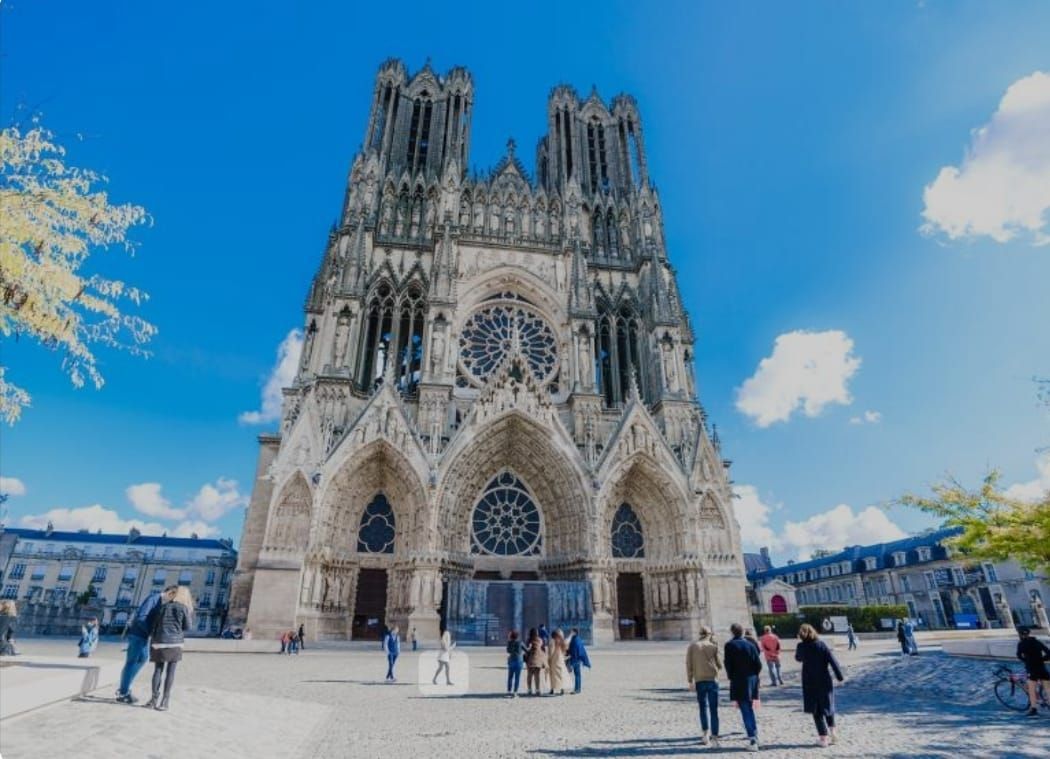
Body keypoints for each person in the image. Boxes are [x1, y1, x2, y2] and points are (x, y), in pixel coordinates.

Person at [117, 586, 174, 704]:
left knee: (143, 659)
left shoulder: (159, 602)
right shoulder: (154, 598)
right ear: (169, 593)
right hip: (138, 634)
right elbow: (142, 617)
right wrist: (150, 632)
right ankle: (123, 692)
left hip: (142, 635)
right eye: (173, 597)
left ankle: (124, 687)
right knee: (132, 661)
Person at [795, 623, 845, 747]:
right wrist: (840, 677)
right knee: (828, 705)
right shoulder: (821, 645)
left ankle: (823, 739)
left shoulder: (801, 646)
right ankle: (833, 732)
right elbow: (832, 661)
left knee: (816, 710)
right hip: (824, 679)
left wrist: (800, 643)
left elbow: (798, 658)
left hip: (809, 681)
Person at [146, 585, 192, 711]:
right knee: (170, 672)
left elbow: (155, 624)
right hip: (175, 642)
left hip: (160, 641)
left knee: (157, 671)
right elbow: (188, 627)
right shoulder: (184, 608)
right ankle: (165, 701)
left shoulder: (163, 607)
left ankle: (153, 699)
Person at [725, 622, 763, 752]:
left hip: (738, 681)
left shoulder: (729, 645)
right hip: (751, 681)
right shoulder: (750, 645)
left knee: (746, 710)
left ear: (732, 632)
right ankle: (755, 735)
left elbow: (728, 665)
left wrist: (732, 677)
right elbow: (758, 665)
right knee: (750, 708)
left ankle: (752, 738)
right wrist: (753, 676)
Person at [686, 625, 722, 747]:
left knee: (703, 708)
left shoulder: (692, 646)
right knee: (714, 709)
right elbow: (720, 664)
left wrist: (690, 681)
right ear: (709, 634)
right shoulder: (713, 647)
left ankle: (705, 734)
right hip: (712, 680)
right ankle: (715, 738)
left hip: (699, 680)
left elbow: (688, 664)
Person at [1016, 626, 1050, 716]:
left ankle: (1034, 708)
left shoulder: (1021, 644)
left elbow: (1019, 655)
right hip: (1042, 667)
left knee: (1031, 689)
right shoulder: (1037, 642)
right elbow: (1048, 652)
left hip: (1032, 669)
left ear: (1020, 634)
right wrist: (1042, 659)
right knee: (1048, 688)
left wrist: (1027, 661)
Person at [566, 627, 591, 694]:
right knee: (577, 674)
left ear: (575, 632)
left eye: (572, 631)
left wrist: (569, 654)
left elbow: (575, 649)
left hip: (575, 659)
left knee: (576, 674)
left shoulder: (575, 640)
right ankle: (578, 689)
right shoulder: (577, 639)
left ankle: (577, 689)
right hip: (577, 659)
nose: (570, 632)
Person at [525, 627, 547, 696]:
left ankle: (529, 690)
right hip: (538, 659)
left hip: (530, 659)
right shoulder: (540, 640)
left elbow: (526, 649)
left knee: (529, 675)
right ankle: (537, 690)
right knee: (537, 676)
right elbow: (543, 649)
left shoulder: (528, 640)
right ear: (536, 633)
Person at [547, 628, 568, 695]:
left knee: (553, 675)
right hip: (560, 659)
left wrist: (549, 659)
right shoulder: (562, 641)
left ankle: (552, 689)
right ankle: (562, 689)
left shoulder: (552, 641)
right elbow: (564, 651)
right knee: (561, 674)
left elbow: (551, 652)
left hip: (554, 660)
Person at [506, 630, 525, 697]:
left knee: (510, 677)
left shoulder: (509, 642)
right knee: (517, 677)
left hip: (511, 660)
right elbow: (526, 650)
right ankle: (515, 692)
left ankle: (508, 691)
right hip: (519, 660)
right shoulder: (520, 642)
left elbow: (508, 651)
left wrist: (509, 641)